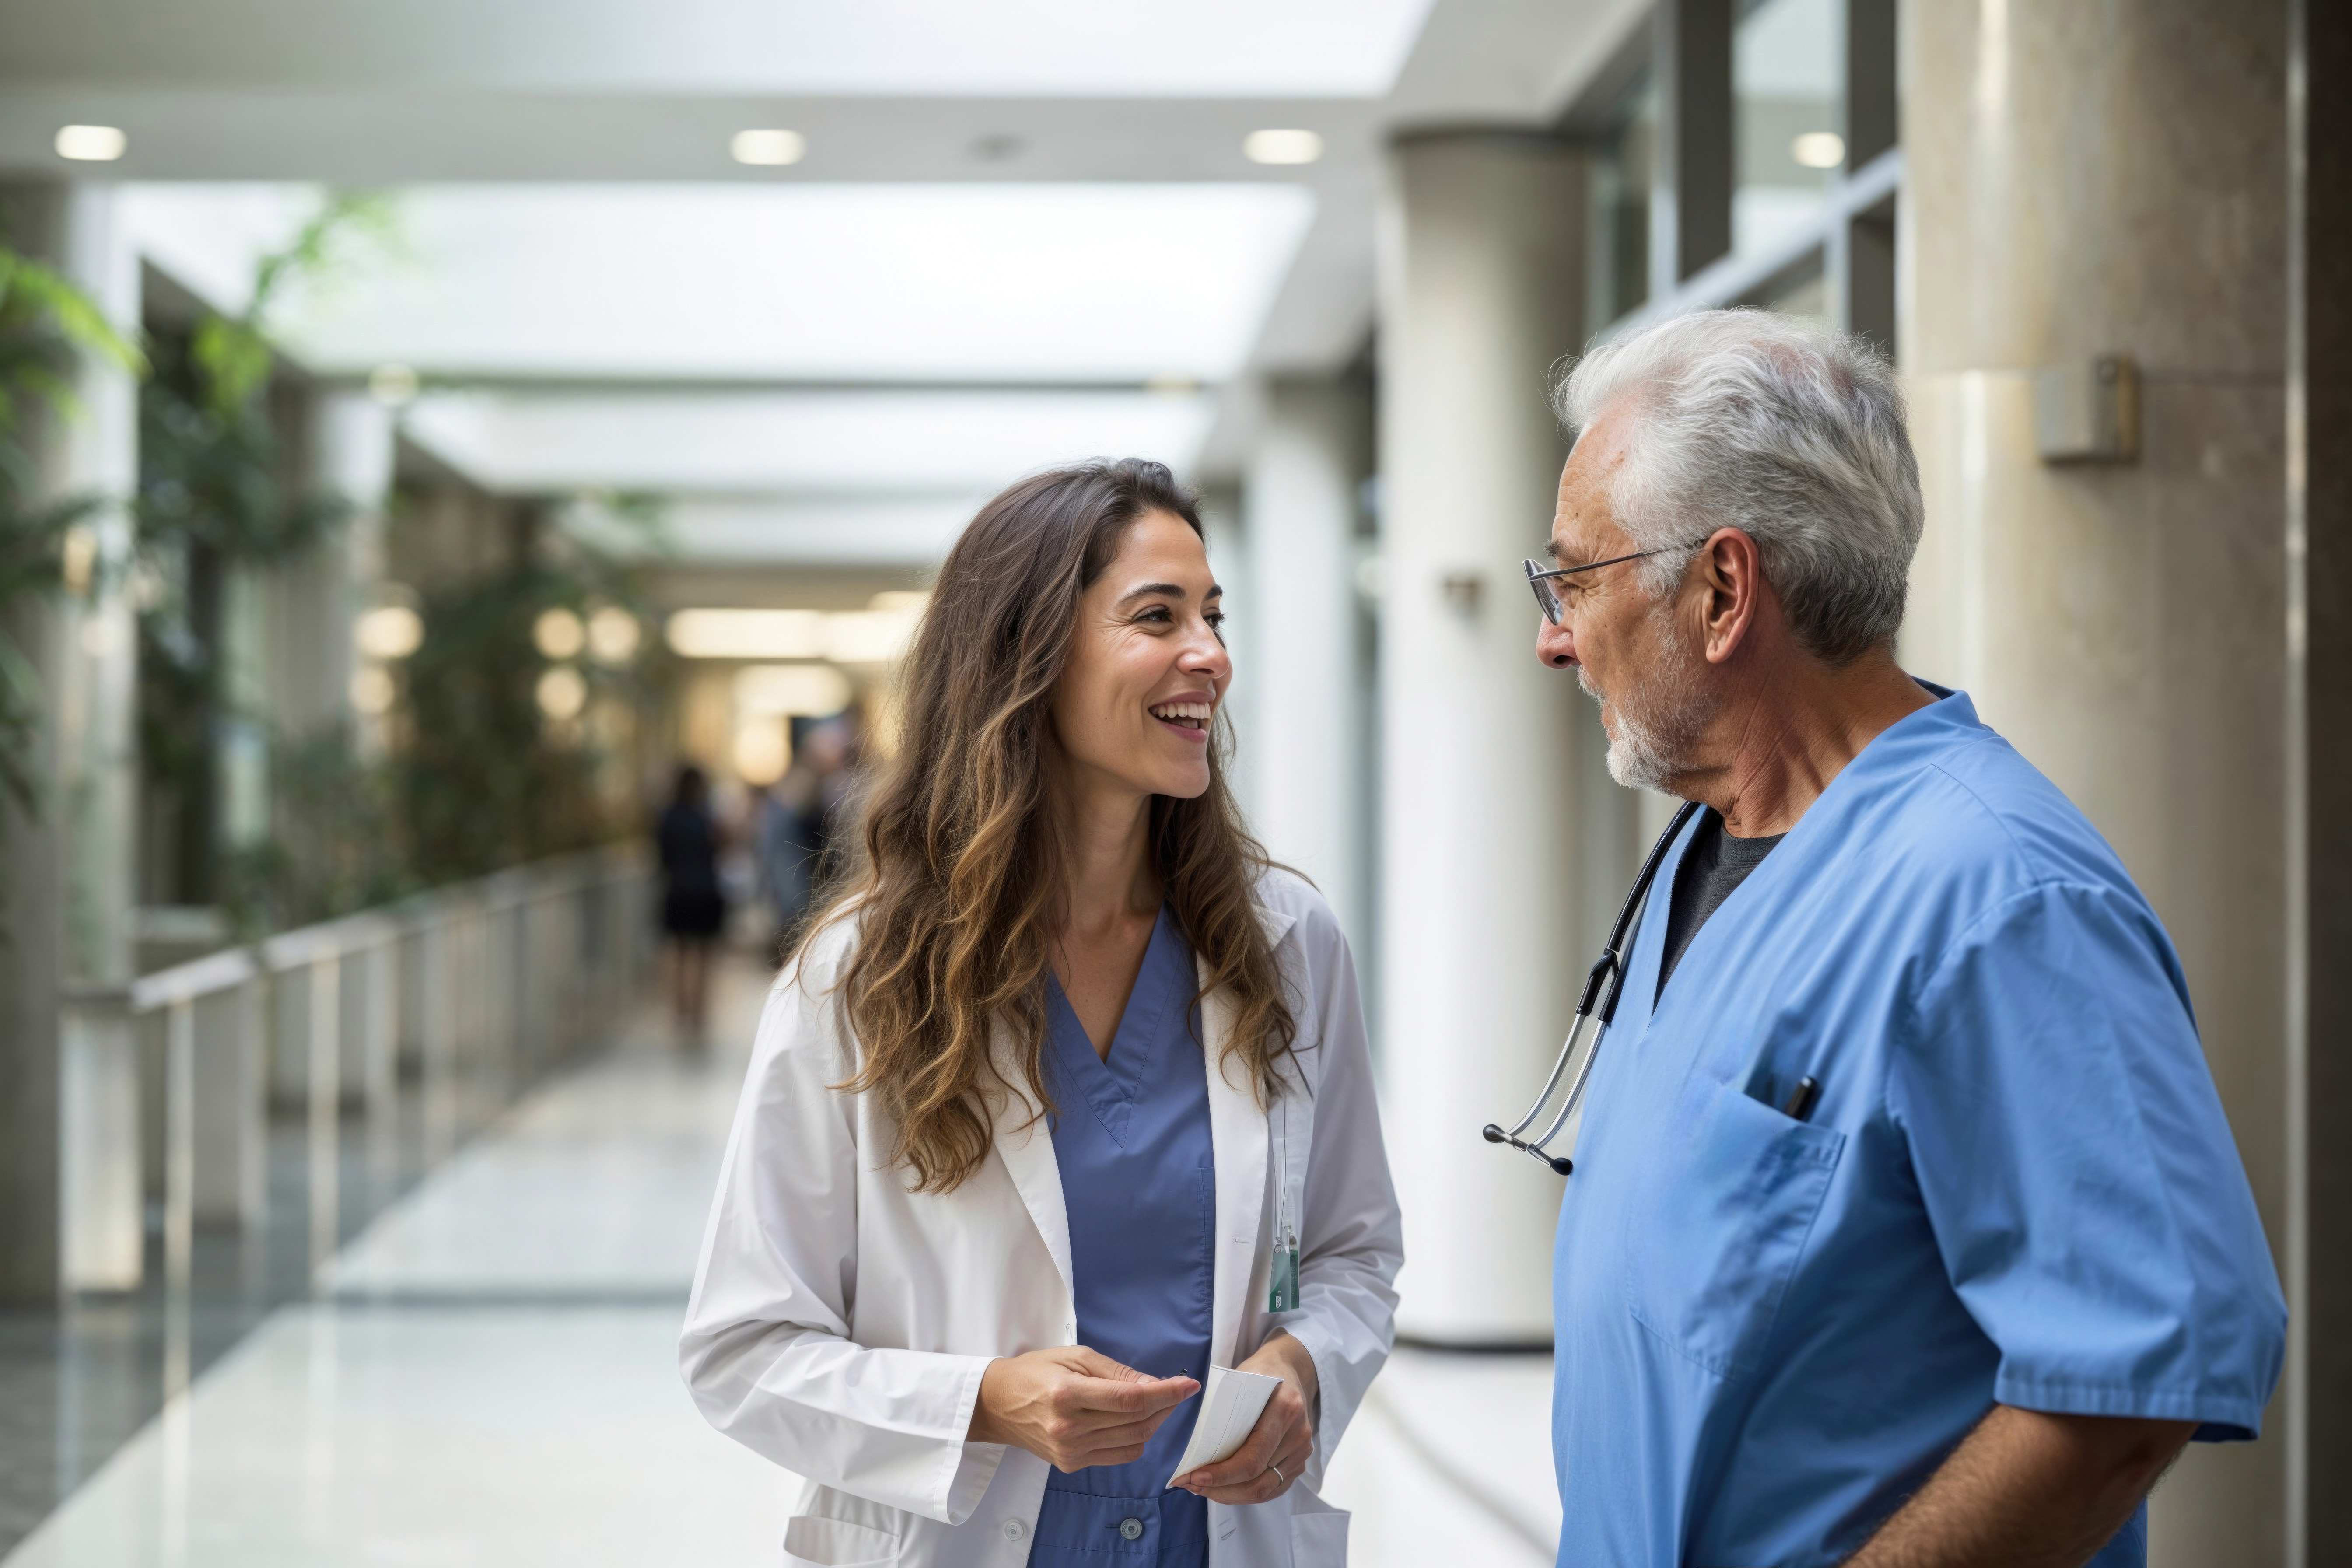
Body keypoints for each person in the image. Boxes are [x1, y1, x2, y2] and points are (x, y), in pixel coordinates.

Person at [1529, 310, 2285, 1568]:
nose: (1555, 635)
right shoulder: (1705, 850)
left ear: (1723, 590)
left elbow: (2134, 1378)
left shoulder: (2001, 899)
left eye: (1578, 580)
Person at [680, 458, 1402, 1568]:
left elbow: (1356, 1256)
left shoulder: (1285, 943)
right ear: (1028, 655)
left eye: (1213, 616)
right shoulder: (861, 975)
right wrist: (982, 1404)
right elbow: (742, 1348)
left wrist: (1303, 1367)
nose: (1209, 655)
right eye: (1156, 617)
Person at [654, 763, 726, 1040]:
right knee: (703, 955)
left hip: (677, 891)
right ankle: (698, 1012)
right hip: (706, 892)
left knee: (677, 953)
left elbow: (661, 857)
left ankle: (679, 1011)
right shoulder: (707, 819)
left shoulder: (668, 818)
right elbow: (719, 850)